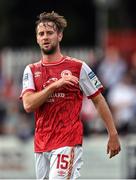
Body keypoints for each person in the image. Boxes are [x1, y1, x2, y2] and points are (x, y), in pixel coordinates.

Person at [20, 11, 121, 179]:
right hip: (41, 143)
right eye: (41, 34)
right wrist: (55, 86)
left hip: (67, 141)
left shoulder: (78, 67)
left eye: (50, 33)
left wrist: (113, 133)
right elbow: (28, 105)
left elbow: (98, 99)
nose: (45, 37)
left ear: (59, 36)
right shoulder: (31, 70)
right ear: (37, 38)